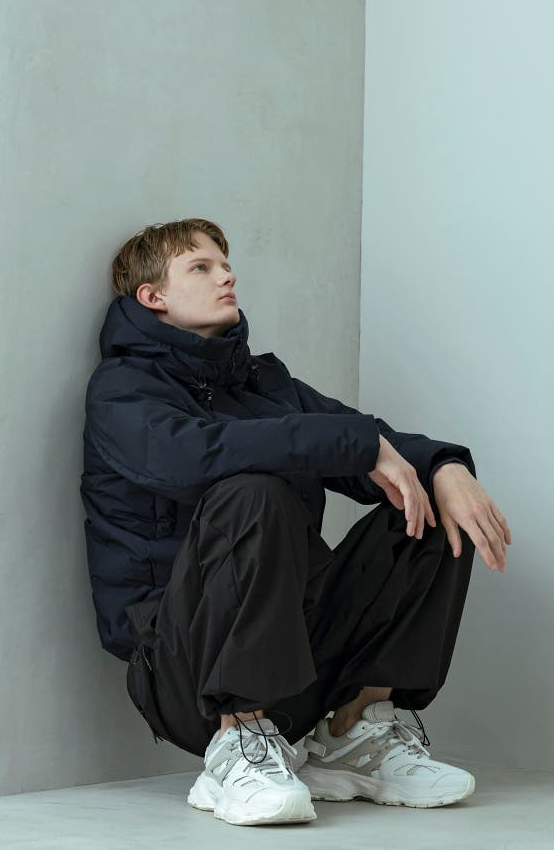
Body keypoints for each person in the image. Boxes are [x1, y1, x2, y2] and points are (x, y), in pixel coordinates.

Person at [79, 218, 512, 827]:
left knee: (428, 508)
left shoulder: (266, 384)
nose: (226, 275)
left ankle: (352, 733)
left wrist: (443, 467)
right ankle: (239, 744)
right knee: (253, 492)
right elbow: (191, 458)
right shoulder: (122, 390)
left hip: (300, 659)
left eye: (225, 262)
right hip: (183, 670)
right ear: (153, 296)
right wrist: (357, 443)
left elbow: (369, 442)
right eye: (200, 267)